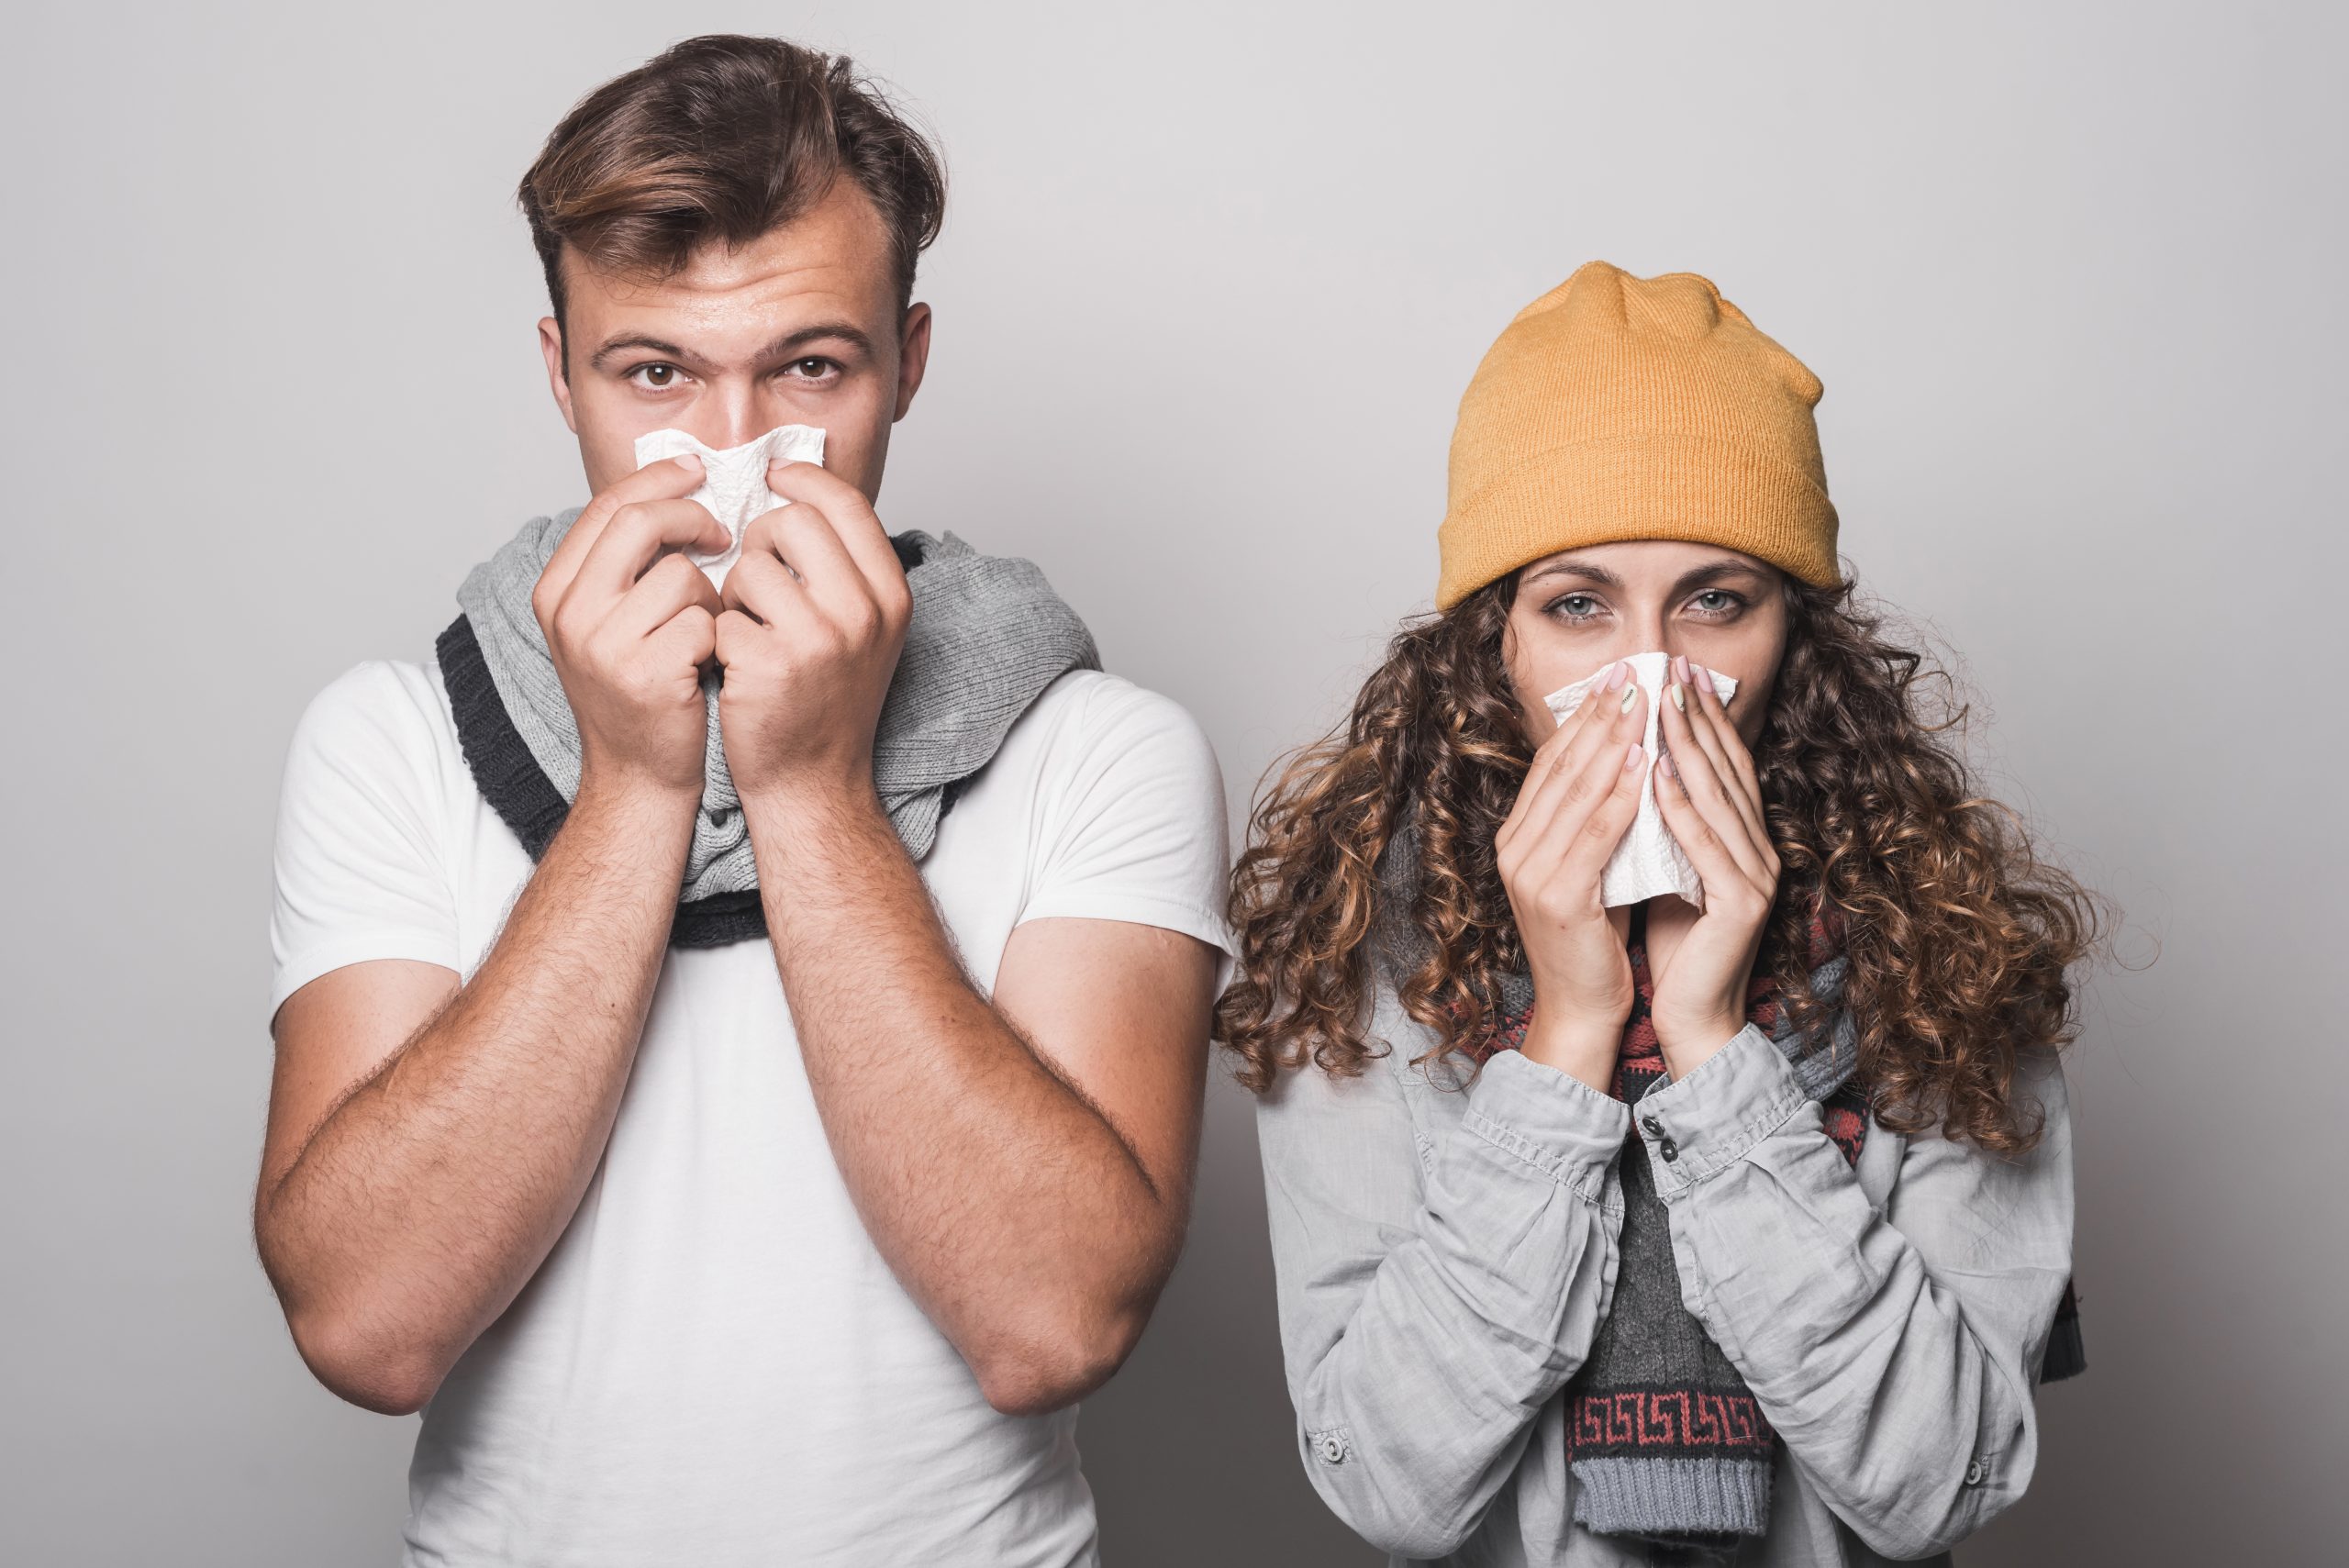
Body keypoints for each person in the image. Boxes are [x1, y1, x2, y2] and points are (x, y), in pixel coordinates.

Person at [255, 36, 1231, 1566]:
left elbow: (1053, 1321)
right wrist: (638, 780)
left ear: (908, 359)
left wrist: (809, 784)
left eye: (809, 368)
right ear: (557, 370)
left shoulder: (1098, 748)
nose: (731, 462)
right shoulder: (393, 737)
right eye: (655, 373)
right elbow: (367, 1328)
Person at [1220, 261, 2093, 1566]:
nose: (1651, 672)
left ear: (1794, 634)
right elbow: (1389, 1484)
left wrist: (1713, 1042)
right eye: (1578, 605)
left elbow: (1939, 1481)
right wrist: (1571, 1034)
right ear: (1491, 645)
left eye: (1715, 600)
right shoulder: (1361, 950)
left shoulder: (1936, 944)